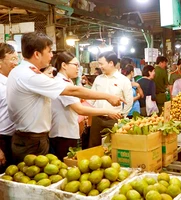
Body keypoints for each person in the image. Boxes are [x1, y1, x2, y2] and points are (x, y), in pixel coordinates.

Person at [6, 32, 124, 163]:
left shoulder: (21, 72)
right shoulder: (30, 76)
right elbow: (74, 91)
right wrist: (108, 97)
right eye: (49, 51)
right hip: (32, 140)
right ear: (37, 54)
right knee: (35, 179)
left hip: (32, 138)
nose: (52, 55)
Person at [49, 51, 123, 160]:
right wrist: (107, 111)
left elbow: (84, 95)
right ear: (64, 65)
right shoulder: (61, 83)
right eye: (75, 65)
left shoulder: (67, 81)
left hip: (67, 132)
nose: (78, 68)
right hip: (62, 134)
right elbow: (80, 109)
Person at [88, 51, 133, 148]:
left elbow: (129, 101)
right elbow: (92, 97)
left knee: (116, 146)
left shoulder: (123, 80)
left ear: (111, 63)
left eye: (101, 63)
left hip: (114, 120)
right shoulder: (98, 79)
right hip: (97, 118)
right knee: (94, 146)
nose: (100, 66)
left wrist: (122, 115)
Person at [0, 43, 18, 172]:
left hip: (15, 138)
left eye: (17, 59)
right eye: (12, 59)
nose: (16, 63)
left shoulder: (13, 81)